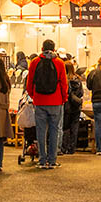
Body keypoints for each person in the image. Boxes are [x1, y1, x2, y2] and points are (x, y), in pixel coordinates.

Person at [26, 40, 68, 169]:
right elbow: (63, 83)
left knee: (41, 132)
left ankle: (42, 160)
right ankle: (52, 160)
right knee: (54, 131)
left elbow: (30, 82)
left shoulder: (34, 62)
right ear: (54, 49)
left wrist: (33, 95)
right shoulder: (59, 63)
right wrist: (63, 98)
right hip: (56, 101)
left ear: (42, 48)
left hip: (39, 100)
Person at [61, 60, 84, 155]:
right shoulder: (78, 79)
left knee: (64, 127)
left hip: (66, 106)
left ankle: (64, 147)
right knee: (74, 128)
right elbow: (81, 93)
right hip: (76, 106)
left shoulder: (63, 79)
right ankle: (72, 148)